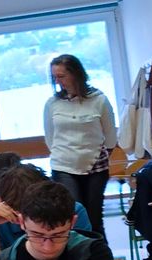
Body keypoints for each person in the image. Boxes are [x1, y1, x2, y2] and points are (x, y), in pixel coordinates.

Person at [45, 53, 118, 246]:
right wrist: (66, 153)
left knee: (94, 218)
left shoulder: (99, 100)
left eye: (61, 76)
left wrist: (96, 153)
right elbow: (50, 137)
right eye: (54, 77)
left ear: (76, 74)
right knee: (73, 215)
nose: (57, 81)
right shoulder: (52, 103)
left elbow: (110, 137)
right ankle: (77, 258)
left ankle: (101, 258)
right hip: (63, 165)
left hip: (95, 166)